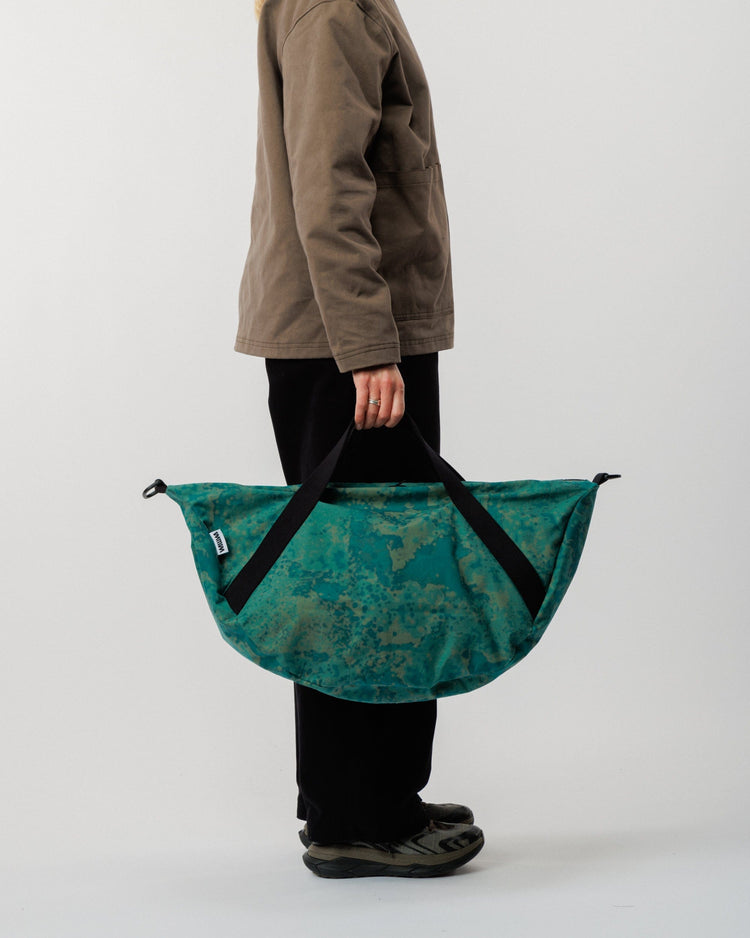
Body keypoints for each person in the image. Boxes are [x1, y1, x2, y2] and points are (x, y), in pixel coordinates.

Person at [234, 0, 485, 877]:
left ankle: (375, 795)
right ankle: (357, 816)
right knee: (365, 580)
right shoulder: (332, 7)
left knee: (383, 569)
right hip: (350, 343)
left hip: (354, 335)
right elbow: (328, 184)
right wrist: (369, 347)